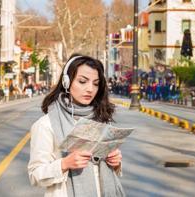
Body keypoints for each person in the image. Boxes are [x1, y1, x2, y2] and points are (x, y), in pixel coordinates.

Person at [28, 54, 124, 197]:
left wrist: (116, 163)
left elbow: (106, 171)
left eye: (96, 83)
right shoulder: (46, 124)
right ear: (67, 82)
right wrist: (64, 164)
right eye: (82, 81)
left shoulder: (101, 118)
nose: (90, 89)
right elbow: (35, 175)